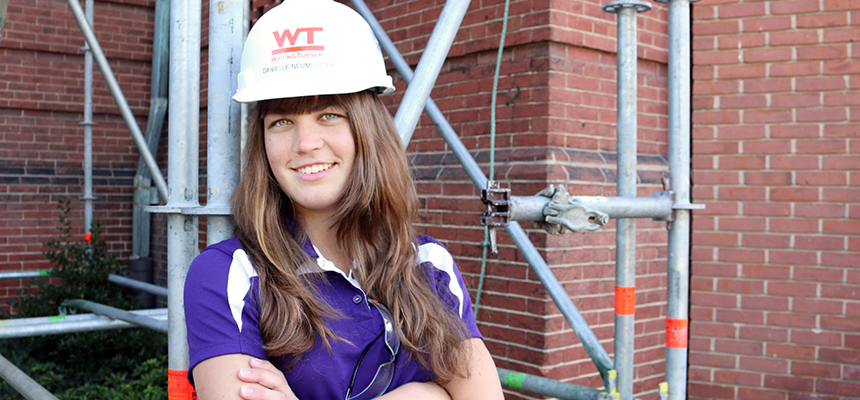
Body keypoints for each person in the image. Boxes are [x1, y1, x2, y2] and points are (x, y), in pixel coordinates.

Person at [183, 1, 505, 399]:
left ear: (367, 129)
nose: (305, 144)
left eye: (329, 115)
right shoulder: (228, 276)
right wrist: (424, 395)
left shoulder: (429, 266)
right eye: (281, 122)